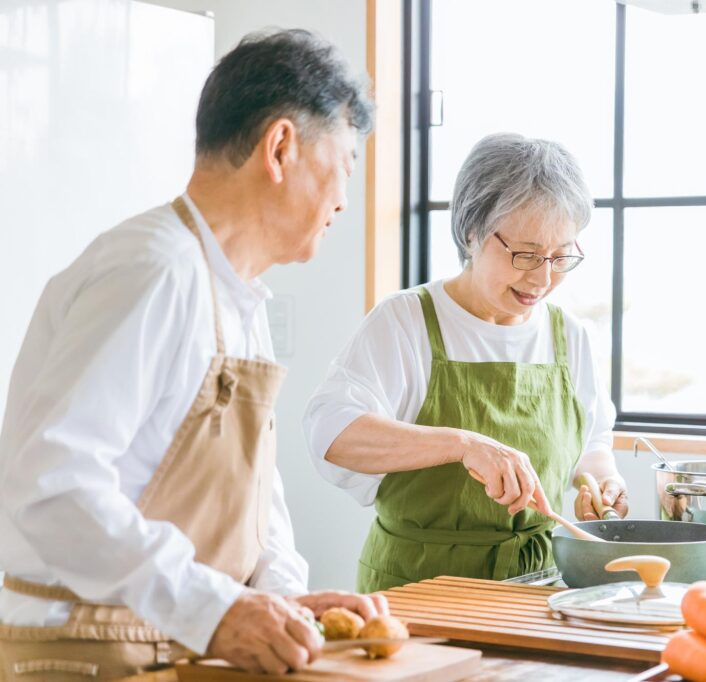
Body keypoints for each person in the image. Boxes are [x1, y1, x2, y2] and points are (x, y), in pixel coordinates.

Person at [0, 29, 383, 679]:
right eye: (345, 161)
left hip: (174, 644)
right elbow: (52, 488)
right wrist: (215, 609)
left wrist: (278, 598)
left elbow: (255, 491)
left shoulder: (237, 295)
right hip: (88, 653)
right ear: (282, 147)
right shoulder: (153, 270)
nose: (346, 197)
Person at [304, 133, 628, 593]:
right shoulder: (406, 321)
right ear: (471, 232)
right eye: (525, 254)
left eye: (560, 257)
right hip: (417, 585)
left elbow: (592, 440)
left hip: (538, 588)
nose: (542, 278)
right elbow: (330, 433)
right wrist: (463, 444)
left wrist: (601, 481)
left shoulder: (570, 337)